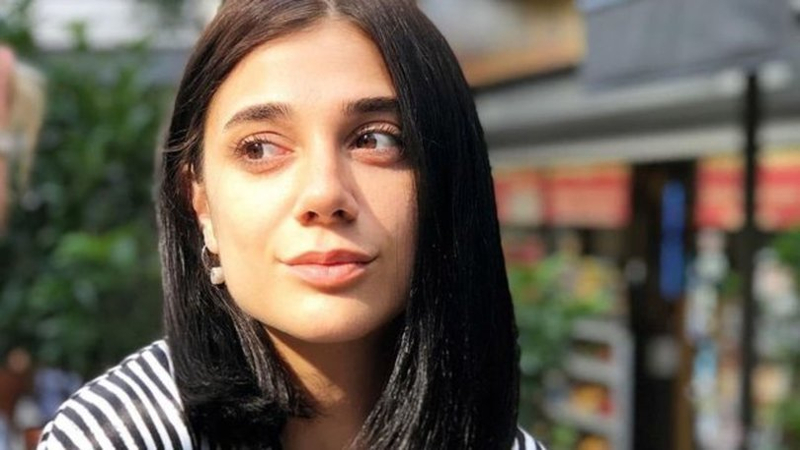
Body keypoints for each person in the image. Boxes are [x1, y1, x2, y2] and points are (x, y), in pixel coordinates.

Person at [37, 1, 545, 449]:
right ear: (201, 205)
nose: (324, 194)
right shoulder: (117, 437)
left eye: (375, 140)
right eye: (260, 148)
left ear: (450, 179)